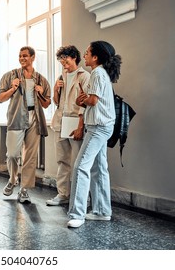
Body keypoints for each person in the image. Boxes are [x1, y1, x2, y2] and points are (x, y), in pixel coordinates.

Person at [67, 40, 121, 228]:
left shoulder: (97, 73)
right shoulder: (101, 73)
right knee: (99, 169)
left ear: (96, 57)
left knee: (80, 167)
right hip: (103, 126)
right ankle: (102, 211)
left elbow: (93, 100)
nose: (85, 54)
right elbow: (94, 101)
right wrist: (85, 100)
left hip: (98, 128)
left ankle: (77, 214)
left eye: (88, 52)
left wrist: (84, 99)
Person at [0, 46, 51, 204]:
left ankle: (24, 190)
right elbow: (0, 98)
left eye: (25, 56)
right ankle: (13, 179)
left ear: (33, 57)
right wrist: (13, 88)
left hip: (34, 119)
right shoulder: (10, 76)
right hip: (16, 118)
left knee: (30, 157)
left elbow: (47, 104)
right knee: (12, 154)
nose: (22, 58)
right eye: (20, 56)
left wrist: (41, 92)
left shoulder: (41, 79)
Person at [47, 45, 90, 206]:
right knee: (62, 161)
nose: (62, 62)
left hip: (75, 121)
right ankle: (63, 195)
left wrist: (80, 126)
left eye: (65, 58)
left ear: (74, 58)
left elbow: (85, 103)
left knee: (80, 162)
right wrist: (55, 90)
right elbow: (57, 102)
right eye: (60, 59)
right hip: (60, 122)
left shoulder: (84, 76)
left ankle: (83, 198)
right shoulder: (61, 76)